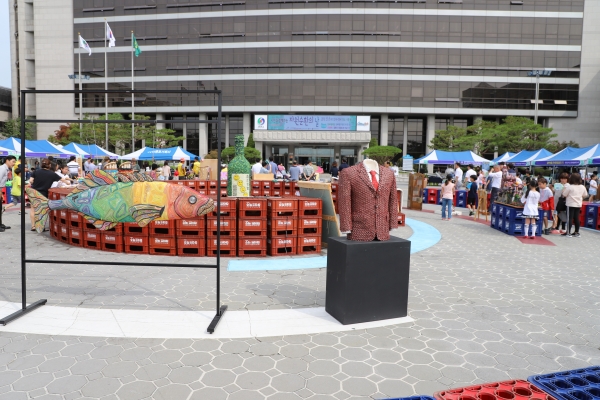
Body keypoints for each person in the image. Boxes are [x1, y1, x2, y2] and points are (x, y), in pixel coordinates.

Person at [29, 158, 61, 231]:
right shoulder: (52, 174)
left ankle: (33, 226)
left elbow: (31, 181)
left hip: (34, 192)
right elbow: (63, 180)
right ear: (49, 165)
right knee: (42, 210)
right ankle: (41, 227)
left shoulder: (36, 171)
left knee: (33, 209)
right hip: (43, 193)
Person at [561, 173, 588, 238]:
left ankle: (568, 232)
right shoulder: (582, 187)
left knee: (569, 218)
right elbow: (585, 195)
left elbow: (564, 195)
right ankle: (576, 232)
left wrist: (563, 190)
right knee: (576, 218)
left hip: (570, 204)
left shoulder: (570, 187)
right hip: (578, 204)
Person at [0, 156, 17, 231]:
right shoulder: (2, 169)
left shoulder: (6, 169)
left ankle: (0, 224)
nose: (14, 163)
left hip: (0, 190)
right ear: (7, 160)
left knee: (0, 208)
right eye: (13, 161)